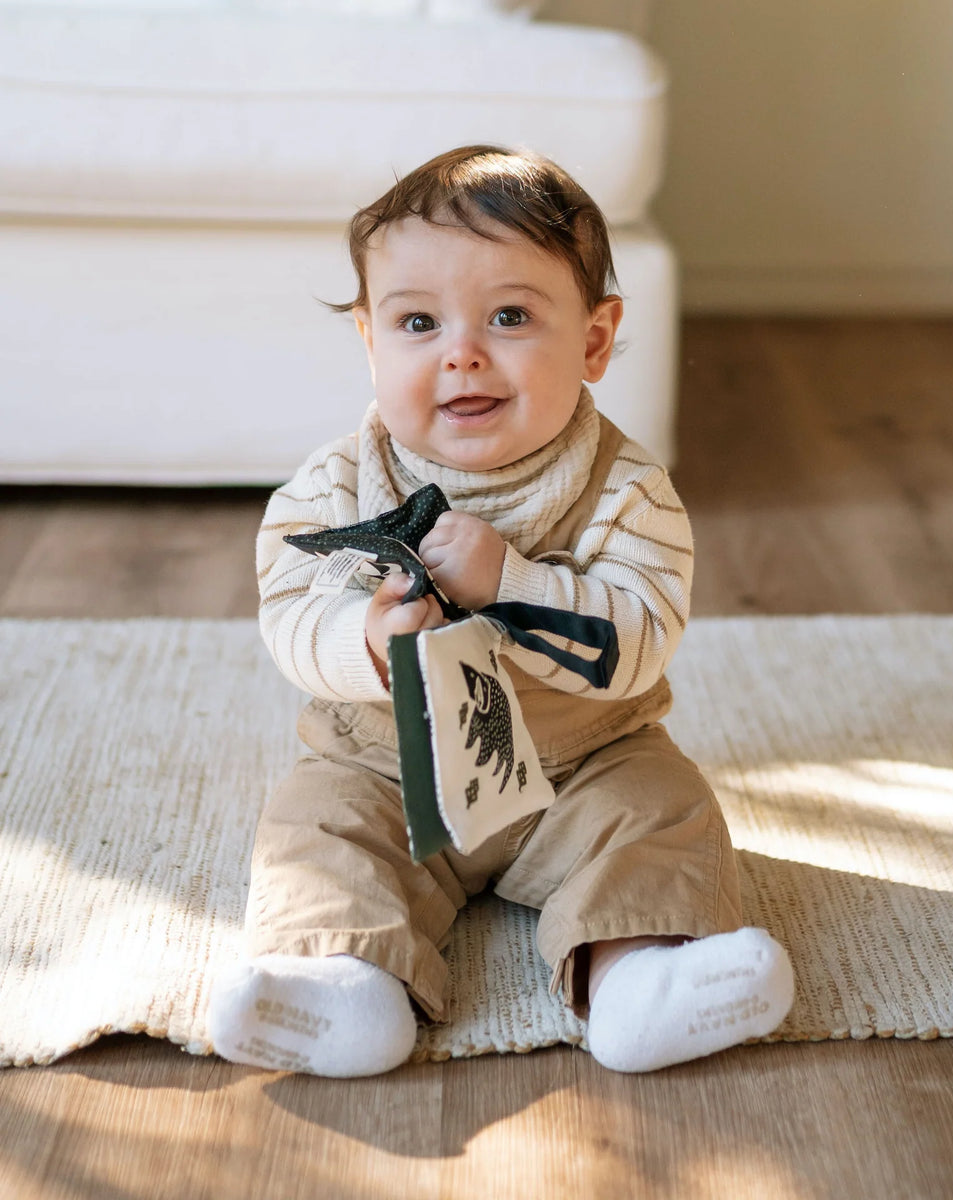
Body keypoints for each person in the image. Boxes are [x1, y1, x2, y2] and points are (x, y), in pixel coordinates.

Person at [208, 145, 793, 1077]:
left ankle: (639, 976)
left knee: (666, 812)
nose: (462, 351)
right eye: (418, 322)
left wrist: (510, 584)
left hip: (584, 765)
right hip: (387, 767)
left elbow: (636, 639)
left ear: (595, 339)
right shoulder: (335, 485)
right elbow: (288, 607)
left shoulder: (628, 491)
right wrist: (365, 636)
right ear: (370, 339)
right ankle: (342, 984)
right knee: (315, 823)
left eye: (510, 316)